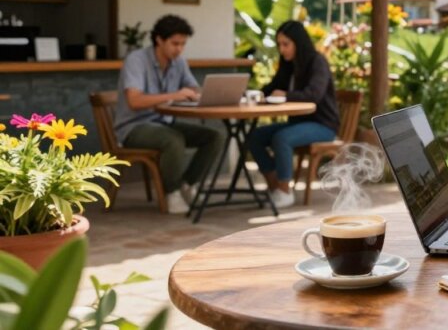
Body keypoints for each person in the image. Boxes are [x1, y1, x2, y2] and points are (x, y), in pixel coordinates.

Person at [115, 14, 226, 215]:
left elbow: (193, 87)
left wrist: (201, 93)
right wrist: (175, 95)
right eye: (175, 43)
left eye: (183, 44)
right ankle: (171, 192)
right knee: (173, 139)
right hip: (133, 127)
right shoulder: (137, 60)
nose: (180, 49)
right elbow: (134, 100)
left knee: (214, 137)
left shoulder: (179, 62)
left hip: (164, 122)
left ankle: (187, 184)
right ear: (159, 40)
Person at [246, 20, 339, 209]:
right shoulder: (288, 65)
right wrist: (256, 93)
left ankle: (284, 191)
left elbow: (314, 94)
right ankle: (277, 188)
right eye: (279, 44)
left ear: (298, 42)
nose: (282, 49)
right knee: (254, 137)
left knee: (282, 138)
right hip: (298, 123)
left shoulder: (317, 62)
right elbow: (272, 88)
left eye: (286, 44)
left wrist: (286, 95)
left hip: (323, 125)